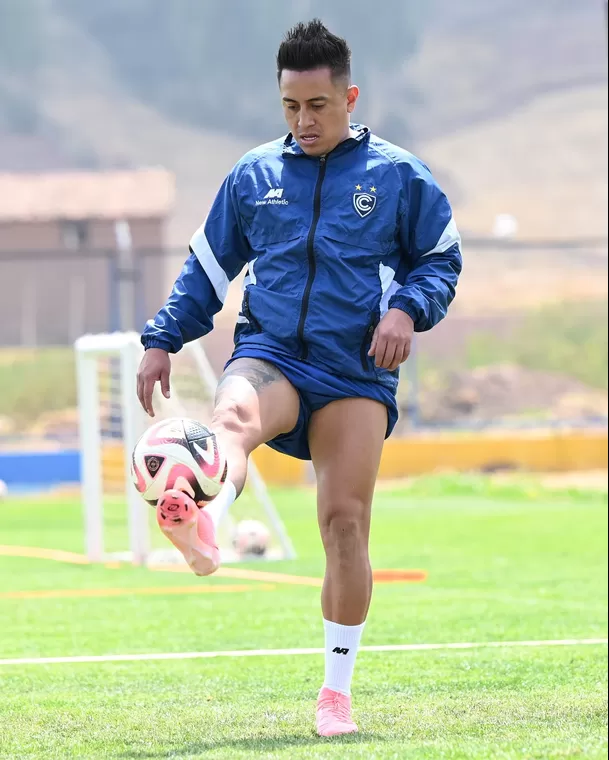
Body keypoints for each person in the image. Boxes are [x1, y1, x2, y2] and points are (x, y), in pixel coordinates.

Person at [137, 19, 462, 737]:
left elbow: (438, 259)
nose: (303, 120)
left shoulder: (398, 175)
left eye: (316, 105)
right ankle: (202, 526)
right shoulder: (253, 176)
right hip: (272, 351)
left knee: (343, 524)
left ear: (347, 97)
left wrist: (407, 310)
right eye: (289, 106)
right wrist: (161, 339)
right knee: (228, 424)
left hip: (355, 370)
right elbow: (207, 272)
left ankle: (335, 695)